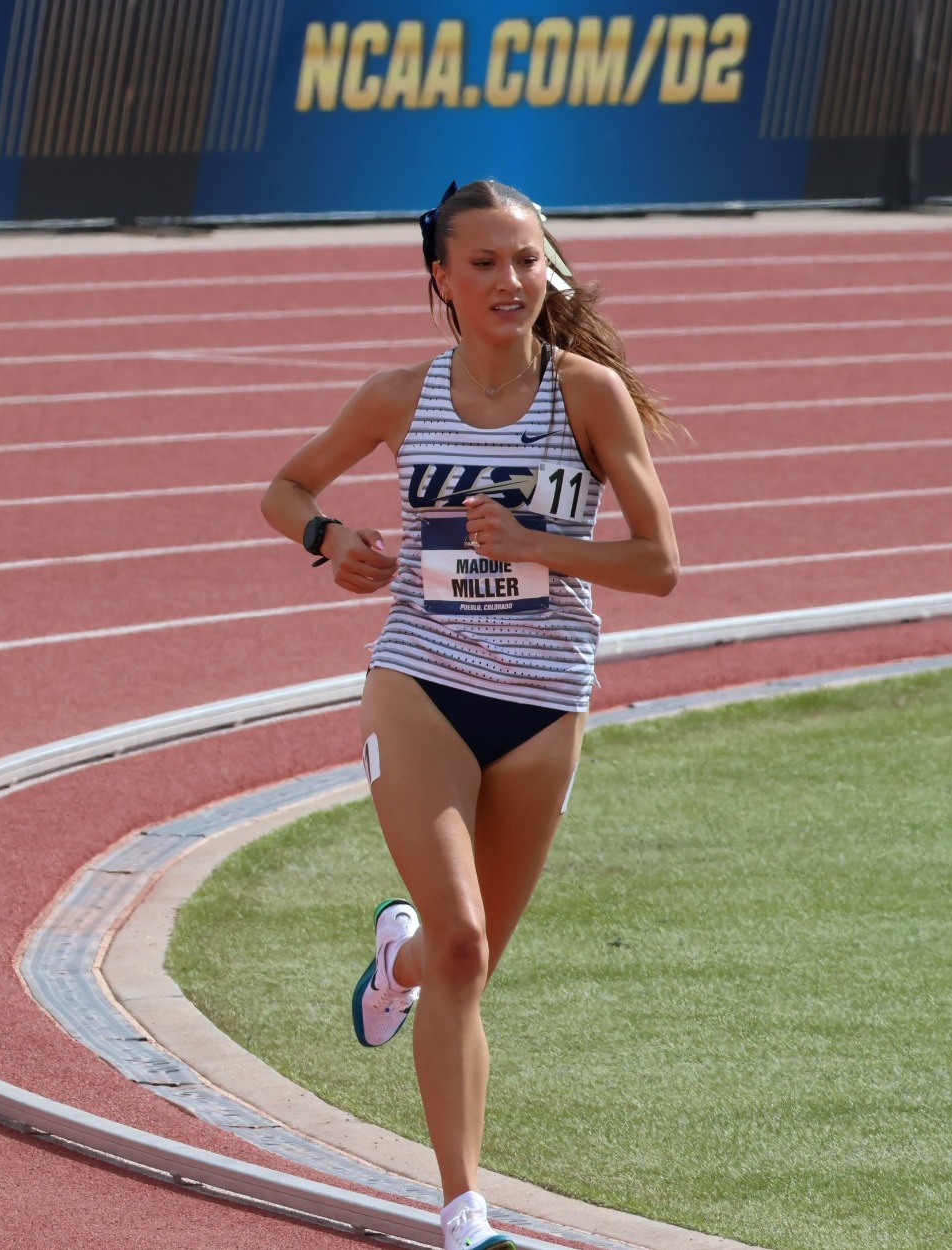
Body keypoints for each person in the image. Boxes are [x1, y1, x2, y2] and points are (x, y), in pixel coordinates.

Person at [260, 179, 679, 1250]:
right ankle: (463, 1213)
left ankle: (389, 959)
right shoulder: (402, 396)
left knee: (462, 957)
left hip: (543, 697)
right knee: (462, 943)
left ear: (551, 269)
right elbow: (286, 486)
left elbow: (659, 564)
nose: (509, 281)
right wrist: (330, 540)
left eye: (526, 260)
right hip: (422, 677)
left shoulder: (587, 394)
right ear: (439, 277)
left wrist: (538, 545)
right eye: (483, 263)